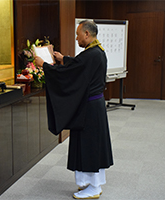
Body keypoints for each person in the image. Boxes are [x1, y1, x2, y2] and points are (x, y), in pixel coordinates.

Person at [35, 20, 113, 199]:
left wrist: (45, 66)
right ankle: (91, 183)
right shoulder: (96, 51)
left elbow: (70, 75)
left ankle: (94, 187)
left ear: (87, 34)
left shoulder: (91, 54)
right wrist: (64, 59)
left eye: (78, 34)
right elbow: (80, 66)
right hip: (93, 106)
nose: (76, 38)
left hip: (90, 109)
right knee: (89, 145)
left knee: (90, 146)